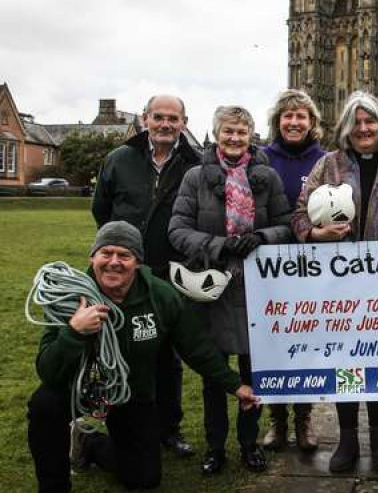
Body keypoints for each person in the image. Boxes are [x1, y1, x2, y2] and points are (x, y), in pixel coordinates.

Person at [27, 221, 259, 493]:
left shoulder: (161, 296)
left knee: (144, 478)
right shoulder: (69, 296)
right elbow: (48, 370)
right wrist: (74, 331)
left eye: (124, 255)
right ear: (93, 257)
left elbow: (196, 348)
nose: (114, 262)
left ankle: (89, 444)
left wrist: (234, 384)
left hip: (130, 392)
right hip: (76, 388)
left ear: (137, 262)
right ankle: (53, 486)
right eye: (106, 253)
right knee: (44, 404)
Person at [290, 90, 378, 474]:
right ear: (347, 128)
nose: (364, 129)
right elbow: (299, 214)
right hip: (339, 285)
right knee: (347, 359)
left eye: (371, 122)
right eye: (357, 123)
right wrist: (315, 235)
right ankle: (348, 437)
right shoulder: (327, 167)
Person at [169, 106, 293, 475]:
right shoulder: (195, 177)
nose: (235, 138)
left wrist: (260, 237)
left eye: (241, 132)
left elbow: (286, 226)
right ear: (217, 134)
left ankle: (249, 444)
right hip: (212, 288)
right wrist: (219, 245)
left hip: (256, 289)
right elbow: (177, 229)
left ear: (251, 135)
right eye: (228, 132)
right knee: (213, 374)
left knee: (253, 373)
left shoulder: (266, 177)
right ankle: (215, 447)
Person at [91, 94, 201, 458]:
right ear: (145, 119)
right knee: (121, 352)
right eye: (159, 117)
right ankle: (122, 425)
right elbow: (102, 211)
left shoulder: (193, 164)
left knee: (168, 357)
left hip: (169, 274)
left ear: (184, 123)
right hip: (124, 276)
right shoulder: (119, 159)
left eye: (173, 118)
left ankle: (169, 430)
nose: (165, 124)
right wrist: (118, 257)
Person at [260, 89, 327, 453]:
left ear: (312, 122)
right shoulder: (261, 158)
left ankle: (303, 418)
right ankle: (277, 419)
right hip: (270, 263)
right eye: (288, 116)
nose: (294, 122)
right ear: (278, 122)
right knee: (272, 343)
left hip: (312, 265)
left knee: (307, 343)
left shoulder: (326, 160)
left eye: (301, 116)